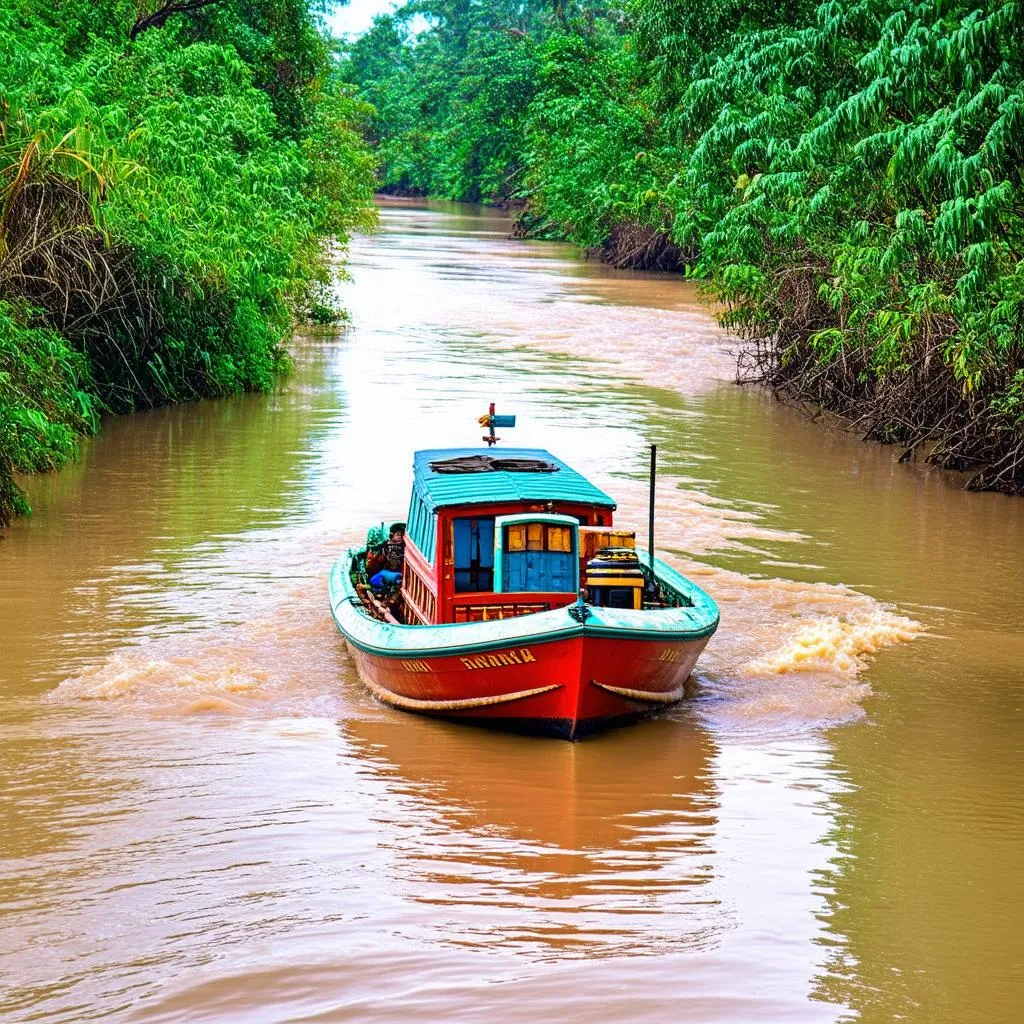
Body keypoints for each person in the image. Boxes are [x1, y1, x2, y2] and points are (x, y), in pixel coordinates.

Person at [369, 523, 405, 590]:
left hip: (397, 573)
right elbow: (380, 559)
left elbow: (380, 559)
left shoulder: (404, 546)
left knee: (374, 581)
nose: (399, 537)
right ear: (392, 535)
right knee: (374, 580)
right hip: (389, 572)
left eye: (401, 535)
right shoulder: (385, 544)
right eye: (398, 535)